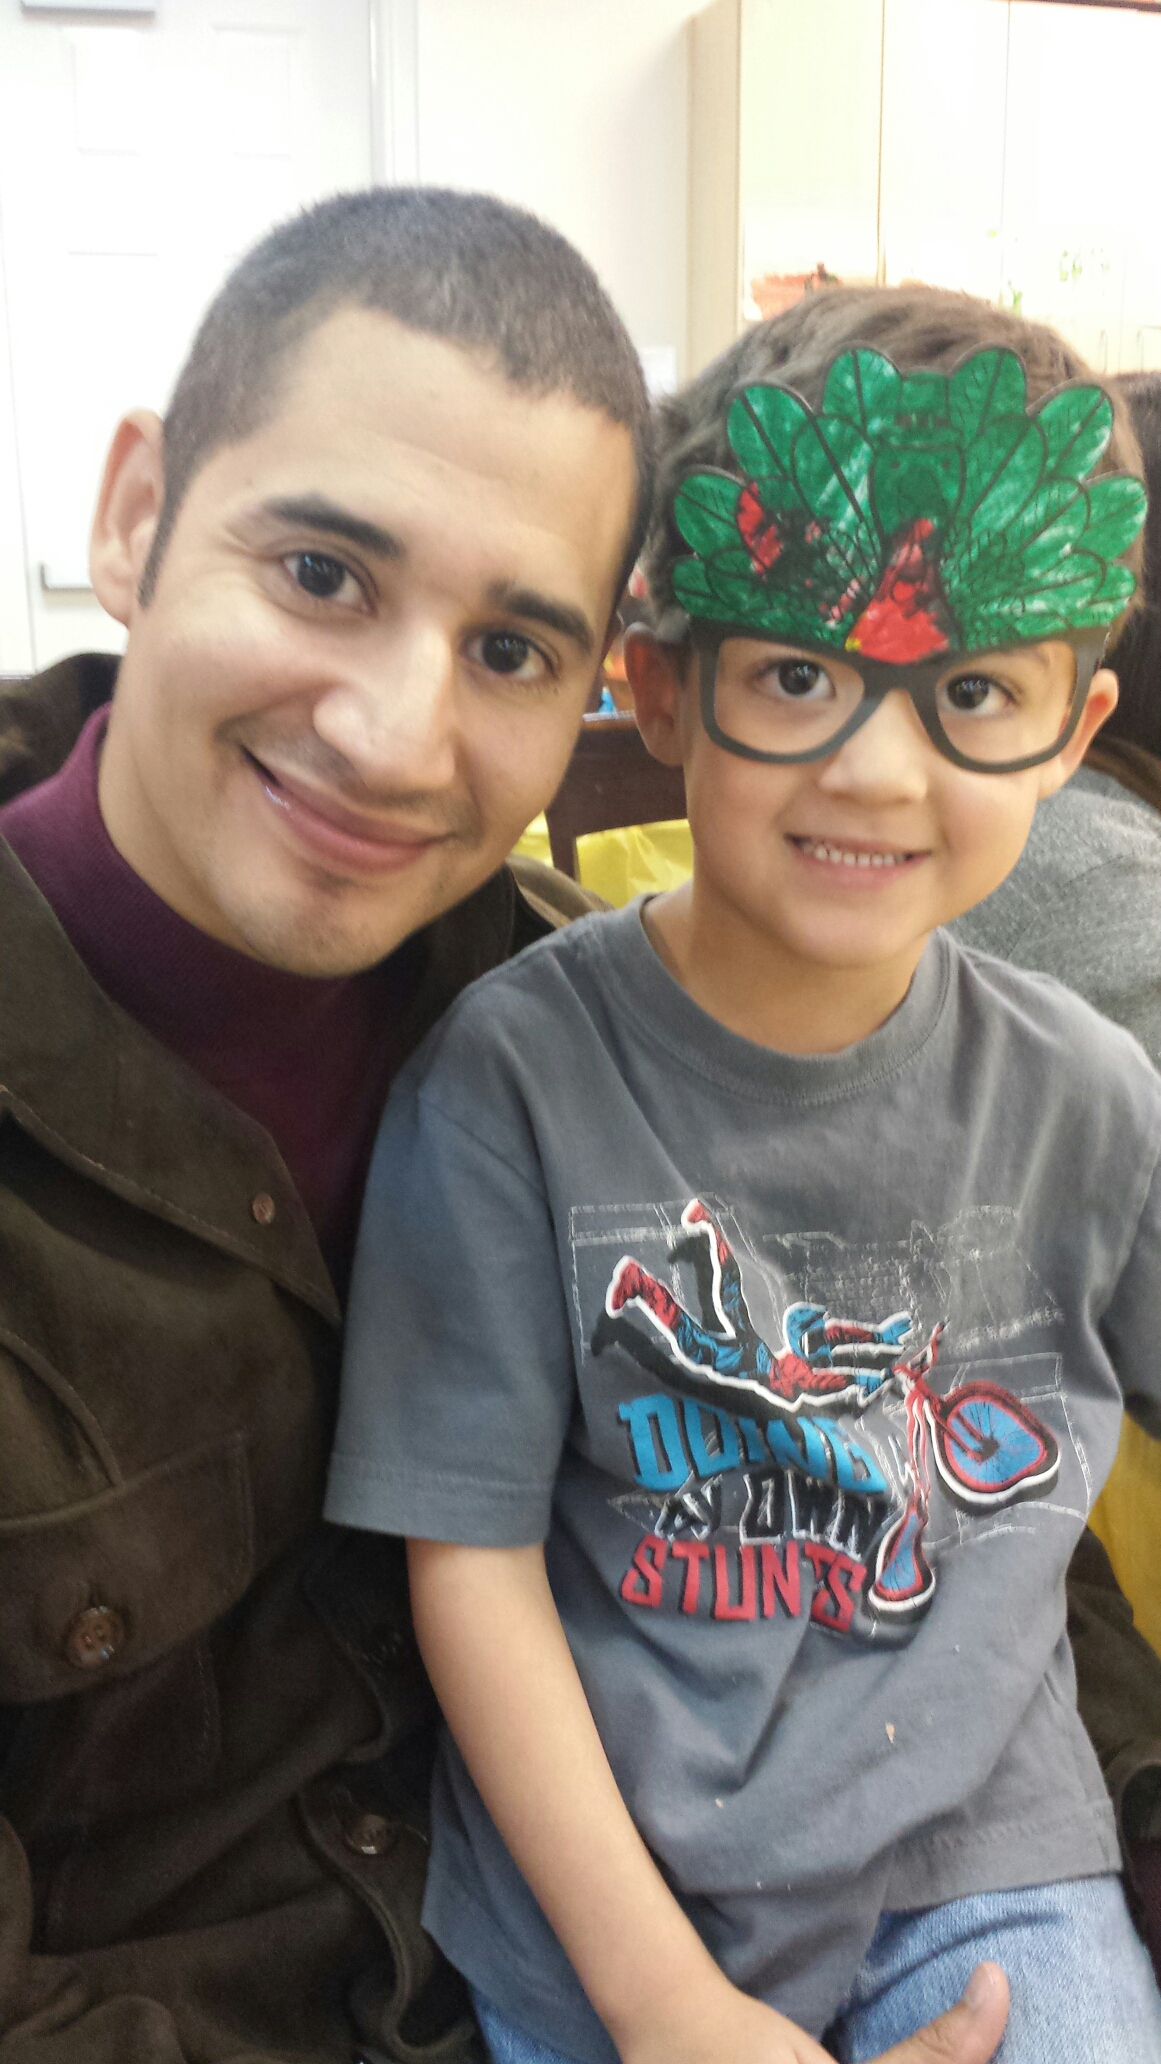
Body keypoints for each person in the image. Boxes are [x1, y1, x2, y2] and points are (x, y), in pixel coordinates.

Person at [327, 285, 1161, 2064]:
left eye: (970, 693)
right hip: (608, 1900)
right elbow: (466, 1562)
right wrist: (661, 2004)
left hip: (981, 1874)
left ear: (1070, 733)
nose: (875, 766)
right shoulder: (506, 1082)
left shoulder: (1090, 1099)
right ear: (660, 690)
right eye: (795, 674)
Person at [0, 184, 652, 2064]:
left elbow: (936, 1431)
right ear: (137, 517)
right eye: (320, 574)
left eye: (511, 651)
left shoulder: (599, 1037)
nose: (388, 737)